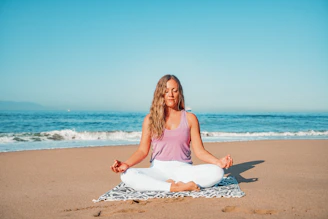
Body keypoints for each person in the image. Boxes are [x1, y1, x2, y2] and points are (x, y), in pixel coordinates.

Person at [111, 75, 233, 192]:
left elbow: (199, 151)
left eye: (174, 90)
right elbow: (142, 151)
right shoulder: (150, 119)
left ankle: (166, 186)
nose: (170, 94)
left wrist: (218, 162)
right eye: (167, 90)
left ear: (179, 93)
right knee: (127, 175)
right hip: (158, 170)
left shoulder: (190, 118)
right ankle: (174, 187)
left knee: (217, 172)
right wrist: (126, 164)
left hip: (184, 169)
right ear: (160, 93)